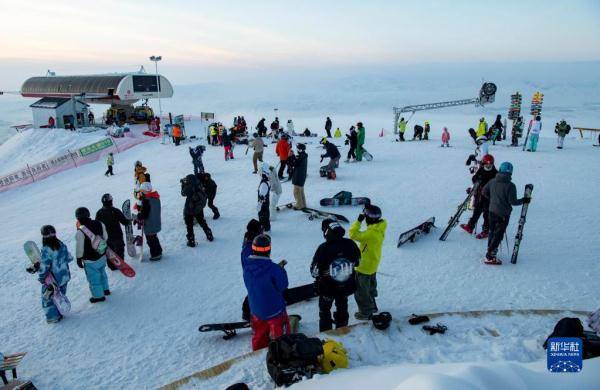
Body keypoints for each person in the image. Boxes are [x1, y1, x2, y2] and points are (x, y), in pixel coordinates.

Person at [241, 224, 290, 351]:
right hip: (275, 311)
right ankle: (282, 349)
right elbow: (283, 285)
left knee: (259, 334)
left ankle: (258, 351)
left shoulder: (247, 268)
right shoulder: (274, 269)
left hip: (256, 310)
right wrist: (281, 271)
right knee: (281, 335)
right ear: (269, 250)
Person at [310, 219, 360, 331]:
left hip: (327, 289)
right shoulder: (350, 244)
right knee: (342, 307)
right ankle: (342, 328)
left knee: (324, 311)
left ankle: (326, 332)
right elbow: (358, 262)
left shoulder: (323, 248)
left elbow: (314, 271)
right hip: (346, 286)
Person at [481, 162, 530, 265]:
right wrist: (524, 200)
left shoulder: (492, 181)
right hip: (503, 214)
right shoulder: (511, 186)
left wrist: (493, 200)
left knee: (492, 231)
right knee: (498, 234)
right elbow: (513, 202)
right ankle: (490, 255)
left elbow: (484, 192)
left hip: (491, 211)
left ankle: (491, 249)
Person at [349, 204, 387, 320]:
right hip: (373, 265)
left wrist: (358, 221)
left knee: (361, 292)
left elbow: (352, 234)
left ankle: (365, 312)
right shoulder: (379, 228)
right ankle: (373, 306)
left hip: (364, 267)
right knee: (370, 288)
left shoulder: (370, 234)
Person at [29, 225, 73, 323]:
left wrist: (41, 277)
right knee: (59, 296)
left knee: (48, 299)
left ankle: (53, 317)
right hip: (64, 277)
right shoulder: (61, 244)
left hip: (52, 280)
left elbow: (45, 267)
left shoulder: (46, 249)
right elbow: (69, 258)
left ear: (44, 236)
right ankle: (60, 312)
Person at [75, 207, 110, 303]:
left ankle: (98, 296)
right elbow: (106, 237)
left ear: (78, 218)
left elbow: (80, 248)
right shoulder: (99, 223)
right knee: (102, 272)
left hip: (90, 259)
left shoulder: (80, 231)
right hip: (101, 254)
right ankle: (106, 289)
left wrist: (79, 259)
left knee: (94, 277)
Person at [460, 154, 498, 239]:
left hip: (490, 197)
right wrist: (477, 180)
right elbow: (474, 178)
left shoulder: (495, 173)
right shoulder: (481, 169)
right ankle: (470, 226)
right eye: (486, 164)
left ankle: (486, 230)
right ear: (483, 163)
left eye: (490, 164)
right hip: (480, 195)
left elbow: (497, 184)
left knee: (486, 214)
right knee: (477, 210)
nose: (488, 165)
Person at [95, 194, 129, 269]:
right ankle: (120, 264)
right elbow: (124, 222)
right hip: (117, 235)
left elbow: (97, 226)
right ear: (111, 201)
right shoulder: (115, 211)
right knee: (119, 250)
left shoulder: (99, 213)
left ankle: (112, 266)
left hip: (106, 237)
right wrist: (129, 221)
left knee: (109, 251)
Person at [181, 174, 213, 247]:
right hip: (198, 208)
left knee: (189, 225)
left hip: (189, 209)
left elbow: (183, 193)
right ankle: (209, 234)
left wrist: (183, 184)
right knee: (202, 222)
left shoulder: (189, 187)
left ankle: (191, 241)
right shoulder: (199, 184)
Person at [138, 182, 163, 260]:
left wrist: (139, 215)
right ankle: (159, 251)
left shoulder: (146, 201)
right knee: (154, 238)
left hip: (149, 223)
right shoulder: (155, 198)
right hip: (155, 221)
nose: (140, 192)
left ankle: (156, 254)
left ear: (144, 191)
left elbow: (144, 214)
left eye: (141, 191)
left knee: (151, 240)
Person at [292, 143, 308, 209]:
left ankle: (299, 205)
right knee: (301, 191)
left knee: (296, 192)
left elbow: (295, 164)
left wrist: (292, 157)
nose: (297, 150)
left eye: (298, 149)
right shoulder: (303, 155)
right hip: (301, 176)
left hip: (298, 176)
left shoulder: (301, 157)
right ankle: (303, 204)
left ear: (300, 150)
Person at [257, 163, 271, 233]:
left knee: (263, 217)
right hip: (266, 204)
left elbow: (262, 196)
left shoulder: (263, 184)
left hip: (263, 206)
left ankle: (265, 230)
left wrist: (259, 205)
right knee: (266, 215)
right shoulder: (266, 180)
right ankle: (267, 228)